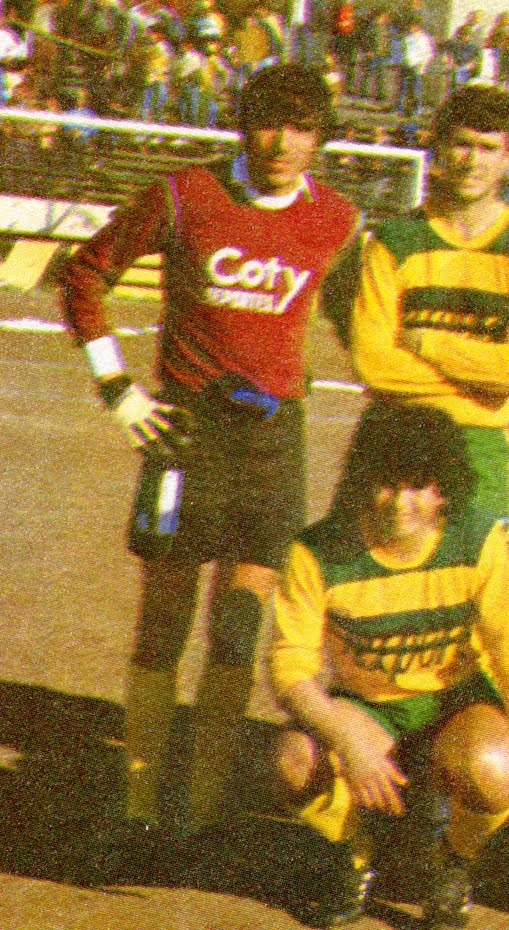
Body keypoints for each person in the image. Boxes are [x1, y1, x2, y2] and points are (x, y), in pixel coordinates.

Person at [59, 64, 361, 872]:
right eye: (268, 122)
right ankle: (138, 809)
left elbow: (366, 317)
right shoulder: (185, 195)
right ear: (242, 125)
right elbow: (84, 275)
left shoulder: (337, 220)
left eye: (301, 128)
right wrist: (118, 389)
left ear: (320, 139)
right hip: (186, 435)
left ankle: (200, 814)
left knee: (236, 632)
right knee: (162, 624)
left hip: (272, 441)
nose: (282, 143)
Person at [270, 402, 509, 929]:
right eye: (387, 485)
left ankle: (454, 862)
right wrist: (346, 737)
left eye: (418, 487)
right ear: (364, 482)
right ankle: (355, 854)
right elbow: (288, 667)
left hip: (454, 707)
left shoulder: (476, 542)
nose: (401, 503)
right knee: (293, 759)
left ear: (444, 490)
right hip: (370, 710)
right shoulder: (317, 551)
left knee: (495, 769)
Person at [348, 84, 509, 522]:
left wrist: (423, 342)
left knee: (476, 566)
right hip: (395, 436)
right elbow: (372, 364)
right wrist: (489, 374)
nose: (473, 160)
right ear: (440, 148)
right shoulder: (393, 242)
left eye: (489, 148)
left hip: (479, 444)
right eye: (463, 144)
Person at [397, 18, 433, 119]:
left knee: (415, 90)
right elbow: (402, 50)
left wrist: (421, 65)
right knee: (403, 88)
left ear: (418, 27)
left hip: (416, 67)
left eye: (413, 26)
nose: (411, 28)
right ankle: (400, 109)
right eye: (410, 26)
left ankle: (416, 110)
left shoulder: (424, 39)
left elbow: (428, 54)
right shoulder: (407, 37)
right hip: (406, 65)